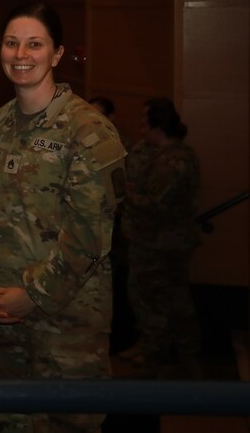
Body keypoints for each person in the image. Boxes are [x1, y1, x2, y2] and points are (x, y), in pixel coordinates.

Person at [0, 1, 126, 433]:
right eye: (11, 43)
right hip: (2, 321)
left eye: (35, 44)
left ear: (56, 54)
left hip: (66, 324)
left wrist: (31, 295)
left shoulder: (89, 130)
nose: (21, 55)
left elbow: (90, 239)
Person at [118, 97, 201, 375]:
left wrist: (123, 194)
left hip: (162, 246)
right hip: (152, 242)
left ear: (158, 126)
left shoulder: (174, 161)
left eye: (145, 122)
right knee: (152, 298)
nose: (141, 128)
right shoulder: (157, 154)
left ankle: (160, 358)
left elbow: (154, 206)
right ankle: (151, 346)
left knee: (157, 301)